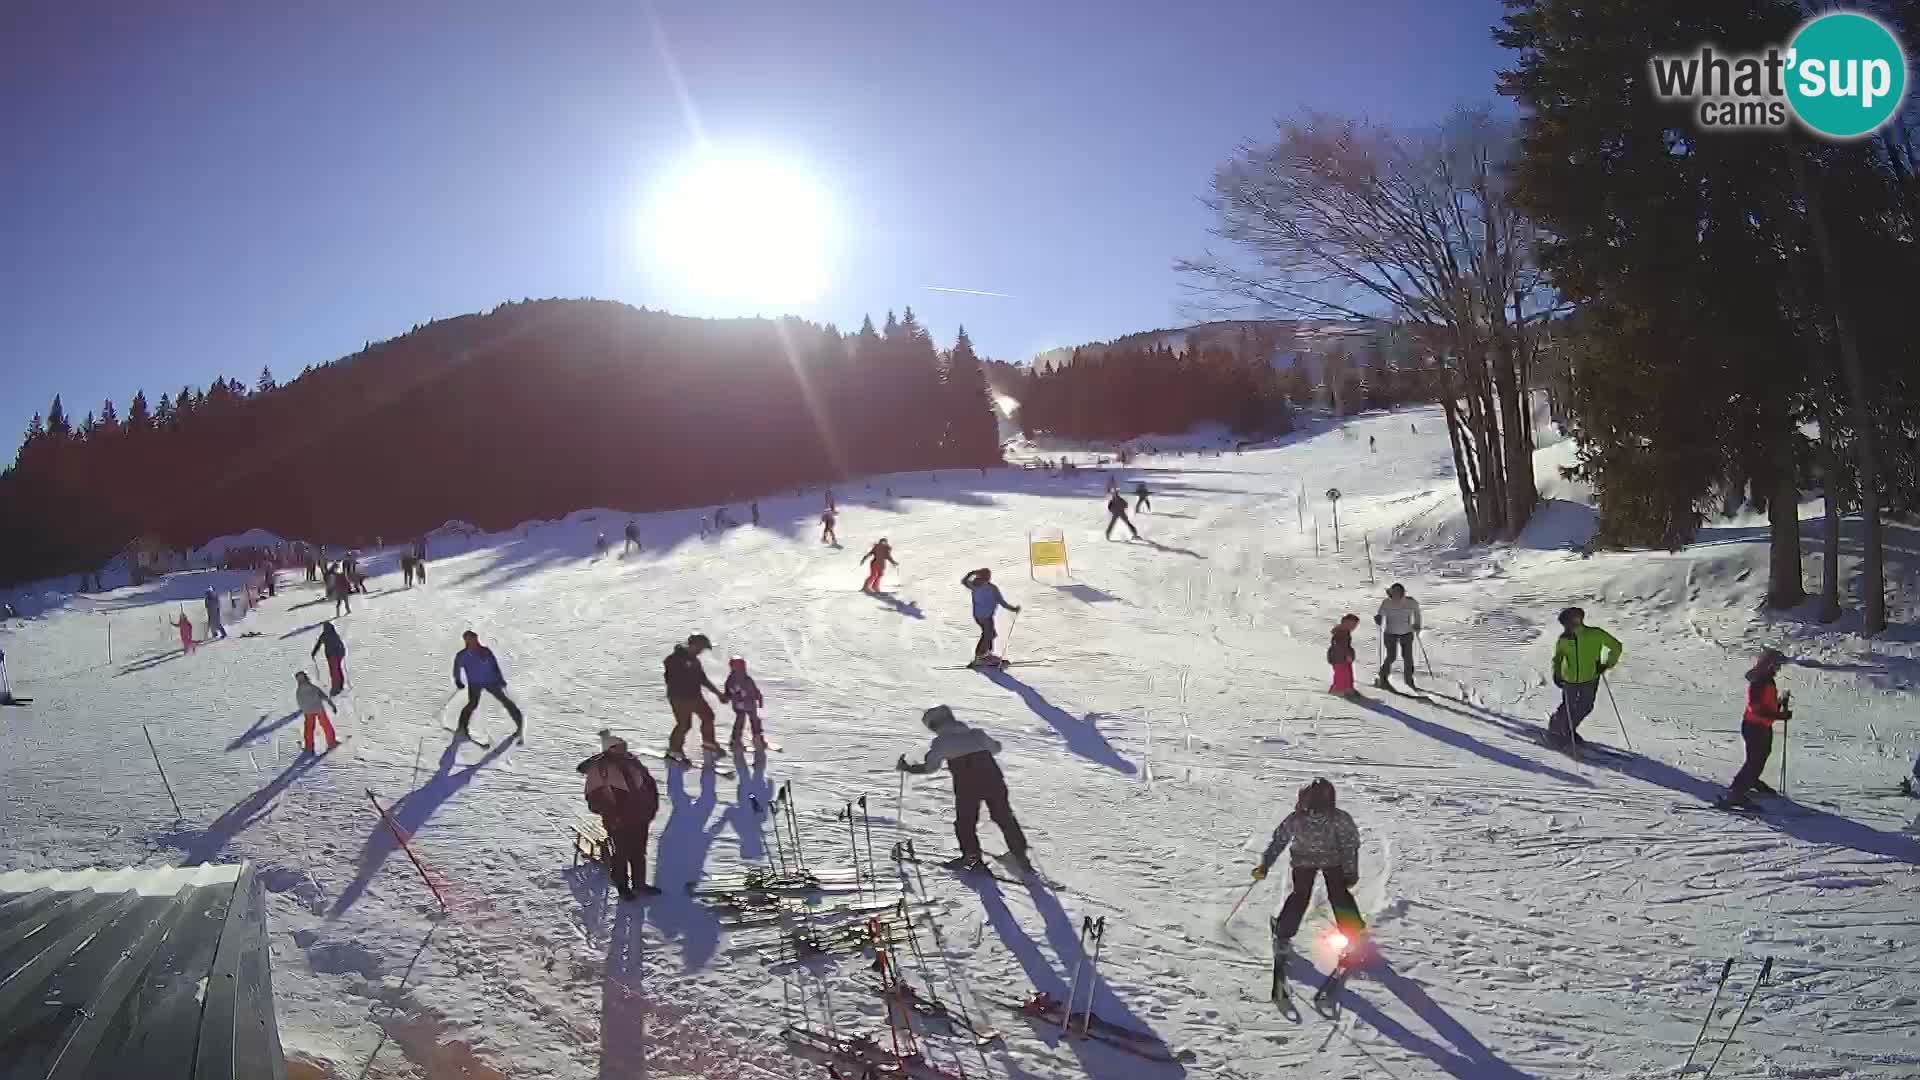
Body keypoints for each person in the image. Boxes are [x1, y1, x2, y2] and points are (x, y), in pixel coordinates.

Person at [897, 705, 1031, 873]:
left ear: (934, 726)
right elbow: (996, 748)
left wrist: (909, 768)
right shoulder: (976, 734)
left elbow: (930, 767)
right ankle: (1020, 856)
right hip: (994, 781)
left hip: (967, 786)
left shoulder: (942, 742)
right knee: (1004, 816)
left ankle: (972, 859)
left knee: (966, 822)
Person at [1252, 778, 1364, 956]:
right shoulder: (1339, 818)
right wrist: (1350, 873)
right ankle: (1353, 934)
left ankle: (1283, 934)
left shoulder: (1296, 819)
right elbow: (1350, 846)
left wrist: (1265, 864)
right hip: (1332, 862)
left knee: (1300, 896)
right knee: (1339, 895)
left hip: (1303, 863)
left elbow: (1279, 841)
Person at [579, 729, 661, 899]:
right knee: (621, 853)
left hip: (640, 816)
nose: (624, 749)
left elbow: (649, 785)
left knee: (639, 852)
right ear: (610, 749)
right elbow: (594, 798)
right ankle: (623, 887)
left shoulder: (632, 762)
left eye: (624, 745)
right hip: (618, 820)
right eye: (619, 746)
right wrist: (612, 815)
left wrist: (651, 808)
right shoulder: (601, 768)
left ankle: (639, 884)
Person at [1720, 648, 1791, 807]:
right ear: (1769, 665)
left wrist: (1780, 703)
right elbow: (1756, 708)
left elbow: (1767, 705)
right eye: (1777, 665)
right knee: (1755, 760)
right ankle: (1736, 794)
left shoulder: (1766, 679)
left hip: (1761, 726)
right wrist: (1779, 716)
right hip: (1754, 726)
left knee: (1760, 757)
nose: (1778, 669)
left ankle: (1749, 781)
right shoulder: (1759, 681)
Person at [1548, 607, 1623, 748]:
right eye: (1564, 624)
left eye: (1566, 623)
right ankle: (1556, 732)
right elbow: (1558, 658)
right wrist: (1557, 673)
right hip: (1569, 679)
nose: (1565, 627)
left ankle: (1567, 729)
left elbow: (1616, 646)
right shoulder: (1564, 639)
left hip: (1590, 678)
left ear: (1577, 620)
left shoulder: (1595, 634)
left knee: (1586, 706)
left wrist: (1606, 664)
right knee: (1568, 708)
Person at [663, 633, 725, 762]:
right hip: (679, 697)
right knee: (684, 724)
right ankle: (674, 750)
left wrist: (718, 694)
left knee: (708, 716)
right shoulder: (674, 659)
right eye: (701, 648)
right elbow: (671, 679)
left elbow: (702, 679)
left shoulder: (694, 660)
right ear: (694, 645)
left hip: (694, 696)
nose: (701, 651)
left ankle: (709, 743)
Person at [453, 630, 524, 739]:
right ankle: (462, 728)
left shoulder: (485, 651)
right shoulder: (463, 655)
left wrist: (500, 679)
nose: (472, 641)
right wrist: (458, 680)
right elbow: (457, 668)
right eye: (469, 639)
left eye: (473, 638)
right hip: (475, 683)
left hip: (490, 681)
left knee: (505, 700)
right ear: (466, 641)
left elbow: (494, 666)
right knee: (472, 704)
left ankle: (519, 725)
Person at [961, 568, 1020, 665]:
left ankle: (986, 654)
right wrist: (971, 573)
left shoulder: (991, 588)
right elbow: (964, 581)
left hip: (987, 615)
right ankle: (981, 656)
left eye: (987, 577)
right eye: (984, 577)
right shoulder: (975, 585)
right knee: (988, 634)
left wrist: (1012, 609)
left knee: (990, 634)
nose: (986, 579)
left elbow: (1001, 601)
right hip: (981, 616)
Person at [1372, 584, 1422, 691]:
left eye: (1398, 592)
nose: (1396, 594)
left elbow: (1417, 613)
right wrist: (1378, 619)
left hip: (1407, 632)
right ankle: (1383, 677)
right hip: (1390, 633)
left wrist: (1417, 624)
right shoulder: (1386, 602)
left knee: (1408, 658)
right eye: (1394, 592)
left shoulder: (1410, 602)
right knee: (1391, 656)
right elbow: (1380, 614)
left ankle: (1409, 680)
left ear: (1403, 592)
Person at [724, 656, 767, 749]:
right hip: (741, 703)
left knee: (755, 719)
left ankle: (757, 737)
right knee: (740, 720)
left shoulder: (746, 677)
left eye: (742, 665)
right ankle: (735, 740)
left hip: (750, 702)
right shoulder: (732, 679)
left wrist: (758, 695)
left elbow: (752, 687)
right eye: (740, 665)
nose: (742, 667)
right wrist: (738, 698)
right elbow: (731, 690)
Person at [294, 671, 340, 754]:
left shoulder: (298, 691)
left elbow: (300, 703)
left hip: (308, 712)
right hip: (319, 709)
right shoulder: (312, 687)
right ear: (306, 677)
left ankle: (309, 747)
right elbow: (323, 696)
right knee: (326, 725)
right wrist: (332, 705)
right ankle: (331, 743)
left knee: (309, 729)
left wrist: (304, 710)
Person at [312, 621, 347, 694]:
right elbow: (340, 643)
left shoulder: (324, 635)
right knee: (338, 669)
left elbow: (318, 644)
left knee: (334, 671)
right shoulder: (334, 634)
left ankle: (336, 688)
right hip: (338, 654)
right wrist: (343, 652)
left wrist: (314, 653)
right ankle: (340, 685)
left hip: (331, 655)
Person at [1328, 614, 1360, 697]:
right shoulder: (1340, 633)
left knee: (1348, 673)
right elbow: (1339, 646)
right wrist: (1347, 654)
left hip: (1343, 657)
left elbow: (1346, 646)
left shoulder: (1345, 631)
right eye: (1352, 625)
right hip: (1338, 657)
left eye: (1355, 625)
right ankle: (1338, 689)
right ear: (1345, 623)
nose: (1354, 627)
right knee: (1341, 673)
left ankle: (1348, 688)